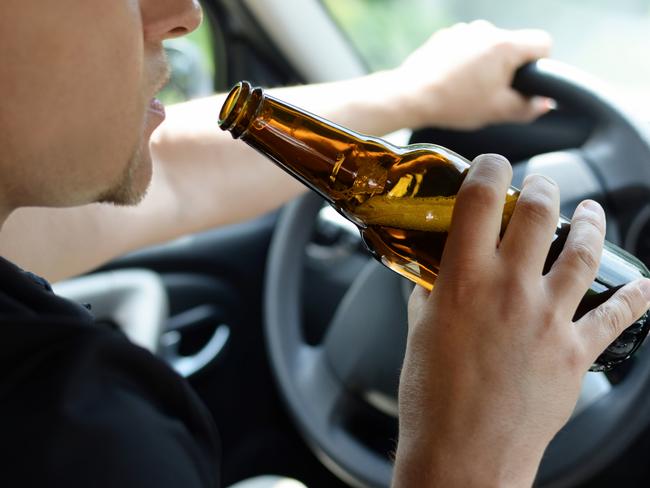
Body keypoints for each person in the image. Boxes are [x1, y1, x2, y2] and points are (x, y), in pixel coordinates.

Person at [1, 1, 648, 487]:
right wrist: (474, 447)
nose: (184, 14)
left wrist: (419, 91)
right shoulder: (72, 435)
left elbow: (174, 177)